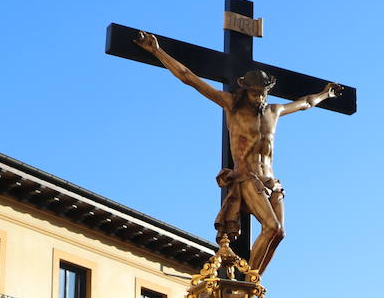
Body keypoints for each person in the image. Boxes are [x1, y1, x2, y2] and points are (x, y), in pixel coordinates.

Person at [133, 30, 342, 273]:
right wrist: (157, 51)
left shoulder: (273, 111)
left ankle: (252, 279)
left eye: (264, 92)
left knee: (280, 233)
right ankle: (248, 280)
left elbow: (306, 102)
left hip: (272, 181)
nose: (260, 97)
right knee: (273, 228)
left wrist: (326, 94)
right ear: (246, 90)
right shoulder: (232, 105)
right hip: (247, 178)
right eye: (255, 92)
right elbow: (189, 77)